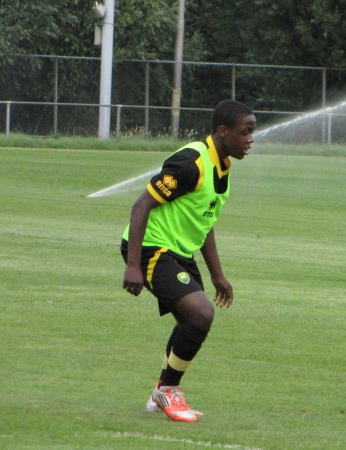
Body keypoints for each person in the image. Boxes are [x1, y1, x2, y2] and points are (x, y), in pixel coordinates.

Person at [120, 99, 256, 422]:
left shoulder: (223, 167)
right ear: (223, 132)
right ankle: (168, 390)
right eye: (245, 132)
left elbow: (204, 222)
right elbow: (141, 206)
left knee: (190, 322)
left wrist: (218, 275)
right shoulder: (192, 162)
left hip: (180, 252)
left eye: (253, 132)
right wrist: (133, 265)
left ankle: (160, 391)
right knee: (200, 313)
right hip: (153, 248)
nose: (251, 139)